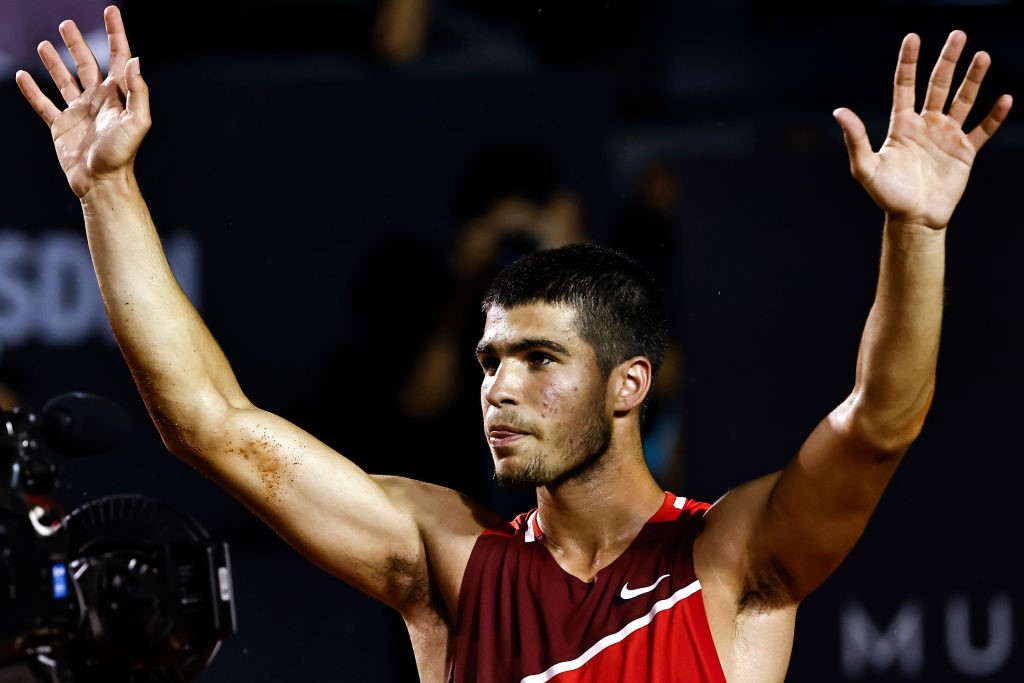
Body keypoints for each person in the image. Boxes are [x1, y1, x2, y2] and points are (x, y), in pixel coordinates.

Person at [14, 6, 1012, 681]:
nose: (498, 386)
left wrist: (914, 231)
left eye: (539, 359)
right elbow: (209, 424)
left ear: (628, 384)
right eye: (492, 359)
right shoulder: (446, 558)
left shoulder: (728, 560)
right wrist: (107, 190)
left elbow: (882, 420)